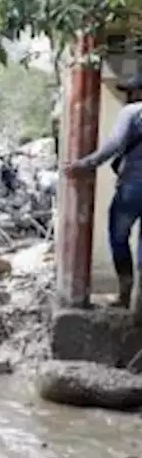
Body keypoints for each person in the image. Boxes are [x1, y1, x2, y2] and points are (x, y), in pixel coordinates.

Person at [65, 72, 142, 309]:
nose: (127, 97)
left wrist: (85, 164)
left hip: (133, 186)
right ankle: (140, 305)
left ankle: (125, 294)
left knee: (118, 236)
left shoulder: (132, 112)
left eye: (130, 92)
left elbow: (116, 143)